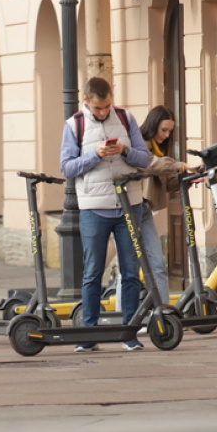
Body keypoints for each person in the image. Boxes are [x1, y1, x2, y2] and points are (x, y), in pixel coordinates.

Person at [60, 77, 151, 352]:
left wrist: (124, 150)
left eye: (107, 106)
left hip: (129, 205)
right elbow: (66, 167)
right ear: (86, 101)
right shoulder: (74, 125)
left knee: (130, 271)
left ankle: (129, 333)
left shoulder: (125, 118)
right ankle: (88, 335)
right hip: (93, 208)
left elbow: (144, 159)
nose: (103, 112)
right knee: (92, 272)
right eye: (98, 108)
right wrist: (95, 155)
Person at [121, 105, 199, 302]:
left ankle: (163, 313)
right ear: (153, 125)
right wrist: (181, 166)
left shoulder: (158, 149)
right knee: (131, 268)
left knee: (157, 266)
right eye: (164, 130)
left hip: (144, 210)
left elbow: (163, 185)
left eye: (170, 131)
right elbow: (151, 164)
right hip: (131, 208)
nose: (166, 135)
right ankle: (124, 315)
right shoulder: (139, 146)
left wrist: (187, 179)